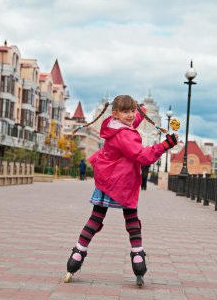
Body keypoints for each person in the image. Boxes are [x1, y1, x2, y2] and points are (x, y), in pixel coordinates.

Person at [64, 95, 178, 285]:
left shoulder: (112, 125)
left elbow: (131, 123)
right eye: (126, 111)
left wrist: (141, 110)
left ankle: (77, 254)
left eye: (132, 111)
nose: (131, 115)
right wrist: (166, 144)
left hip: (106, 181)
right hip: (122, 184)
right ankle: (138, 259)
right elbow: (142, 155)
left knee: (95, 219)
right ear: (116, 113)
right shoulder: (125, 135)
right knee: (132, 221)